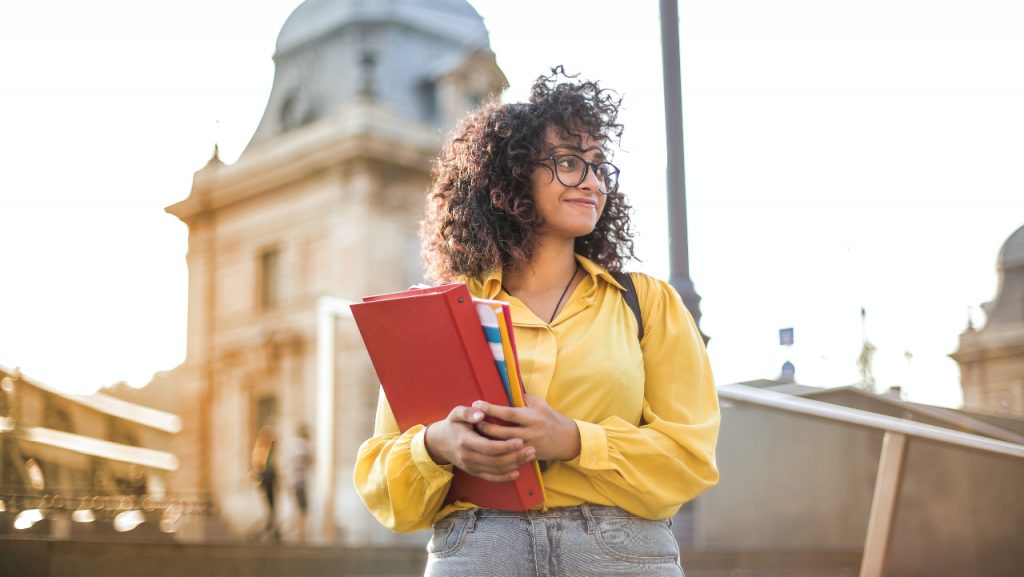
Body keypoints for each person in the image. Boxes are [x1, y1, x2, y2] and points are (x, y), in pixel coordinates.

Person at [354, 67, 720, 576]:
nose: (592, 181)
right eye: (569, 162)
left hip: (621, 553)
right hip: (479, 549)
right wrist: (437, 445)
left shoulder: (647, 303)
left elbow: (691, 456)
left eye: (598, 166)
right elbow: (384, 483)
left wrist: (573, 439)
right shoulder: (438, 312)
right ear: (512, 175)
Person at [251, 425, 280, 541]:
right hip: (266, 477)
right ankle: (269, 528)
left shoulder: (268, 449)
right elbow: (259, 465)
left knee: (271, 506)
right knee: (270, 506)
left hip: (268, 478)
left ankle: (272, 528)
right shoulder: (262, 449)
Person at [286, 423, 314, 542]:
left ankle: (298, 532)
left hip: (293, 481)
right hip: (300, 482)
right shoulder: (302, 446)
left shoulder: (292, 445)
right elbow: (310, 463)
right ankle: (301, 534)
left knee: (298, 508)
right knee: (303, 510)